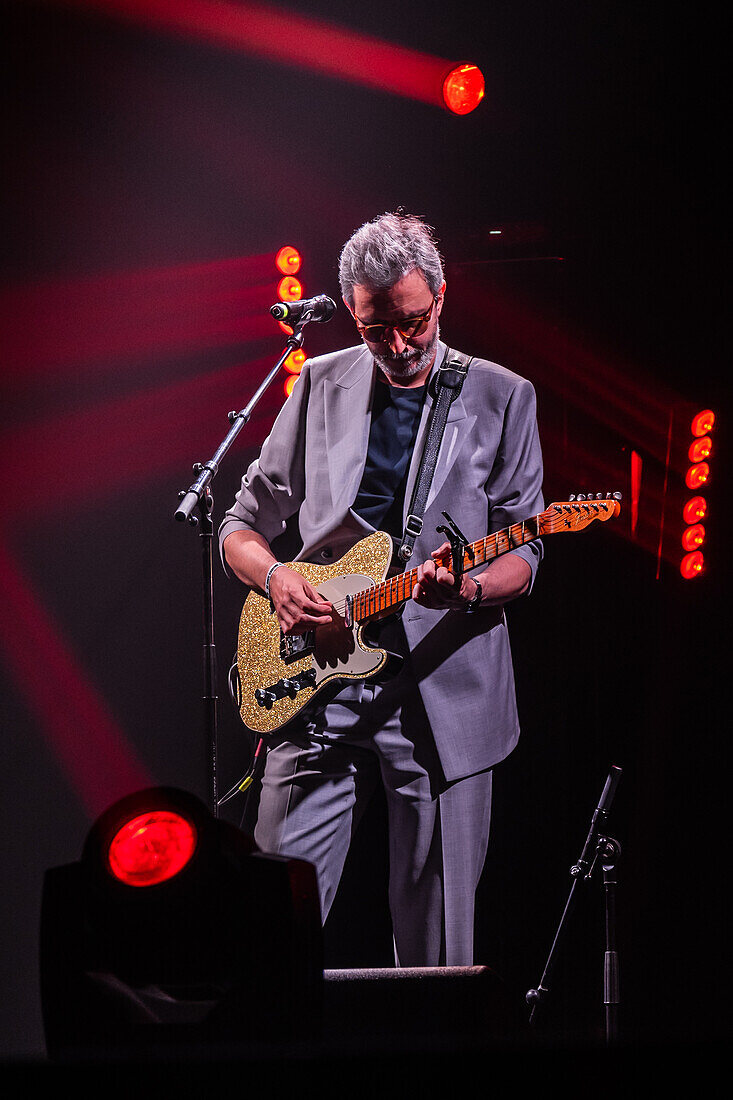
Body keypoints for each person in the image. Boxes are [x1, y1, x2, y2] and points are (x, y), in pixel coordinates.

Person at [219, 212, 543, 966]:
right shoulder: (318, 384)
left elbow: (525, 554)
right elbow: (242, 522)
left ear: (440, 296)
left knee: (437, 953)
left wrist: (465, 589)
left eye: (412, 323)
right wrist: (277, 575)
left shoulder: (502, 395)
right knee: (272, 927)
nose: (396, 346)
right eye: (374, 330)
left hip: (440, 690)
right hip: (316, 678)